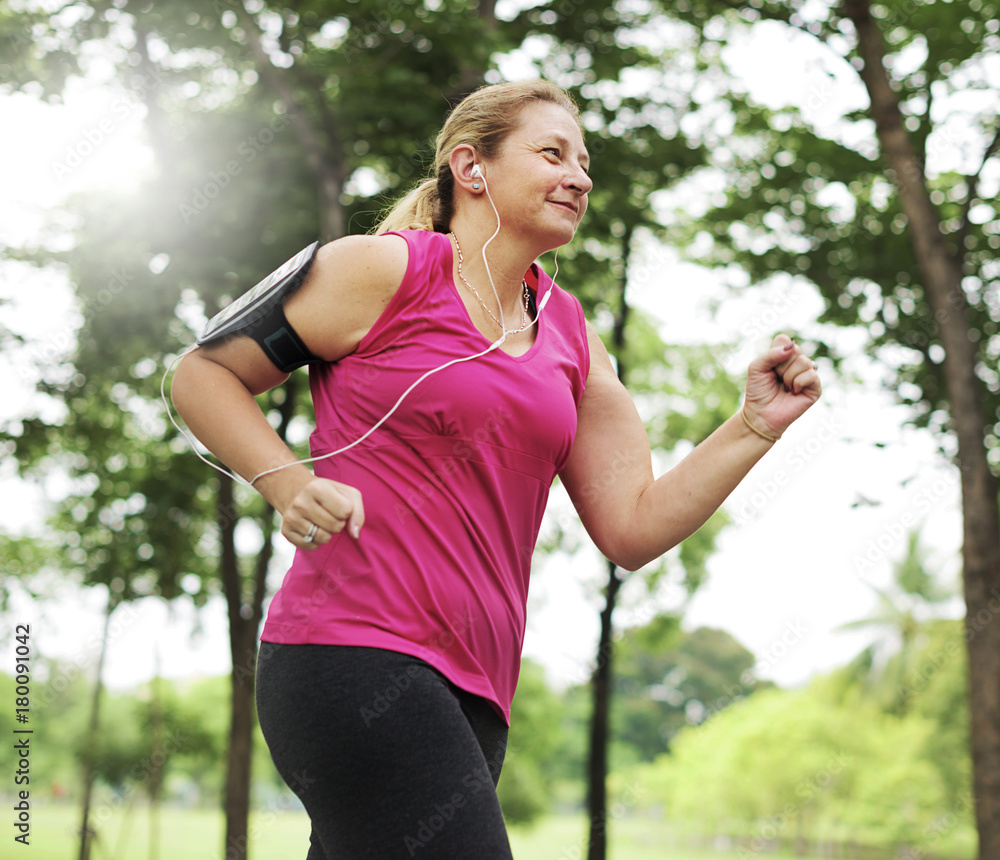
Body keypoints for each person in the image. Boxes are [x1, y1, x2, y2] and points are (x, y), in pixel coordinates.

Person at [170, 79, 821, 859]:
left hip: (478, 685)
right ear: (470, 168)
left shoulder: (574, 339)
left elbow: (633, 526)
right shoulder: (382, 272)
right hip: (351, 651)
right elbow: (202, 375)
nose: (579, 175)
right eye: (552, 153)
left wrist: (751, 428)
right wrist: (286, 480)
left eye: (584, 161)